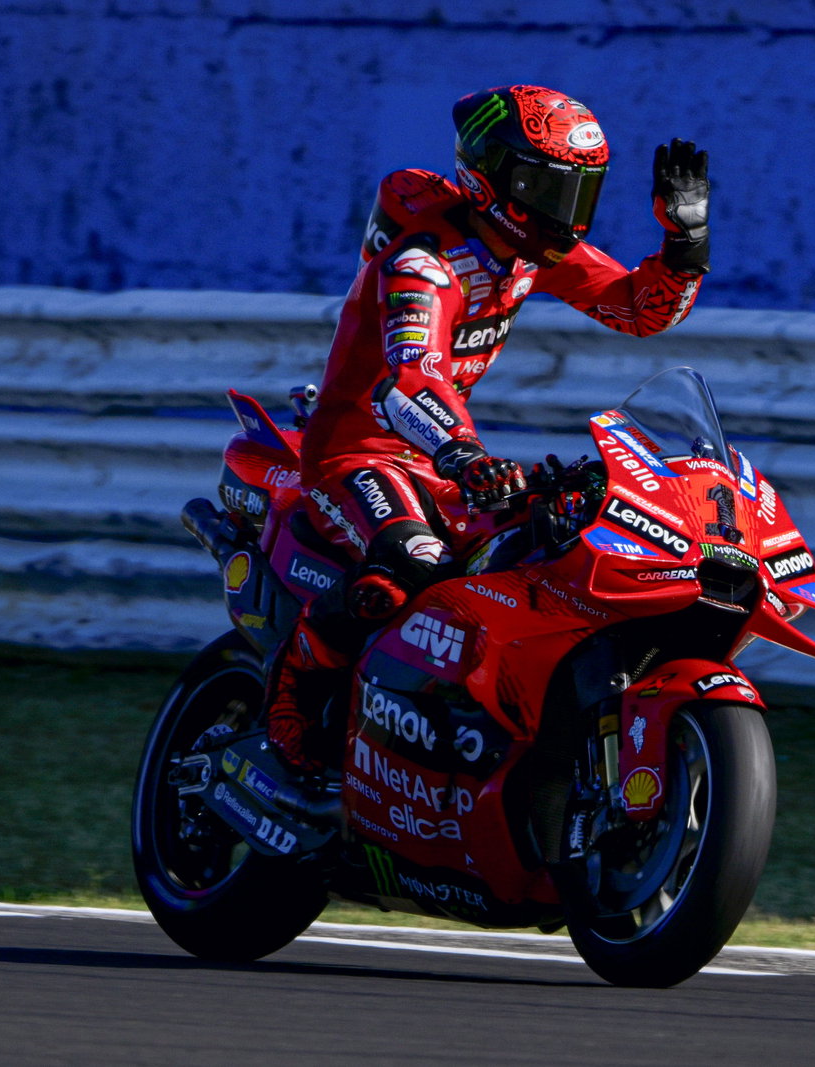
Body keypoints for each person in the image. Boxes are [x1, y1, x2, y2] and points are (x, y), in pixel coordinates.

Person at [266, 83, 711, 777]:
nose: (567, 213)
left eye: (580, 192)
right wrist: (465, 454)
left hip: (447, 462)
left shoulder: (531, 253)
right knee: (412, 563)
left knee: (541, 554)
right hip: (361, 451)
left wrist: (685, 240)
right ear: (492, 179)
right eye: (549, 189)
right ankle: (290, 699)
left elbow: (638, 310)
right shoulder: (423, 262)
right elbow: (408, 379)